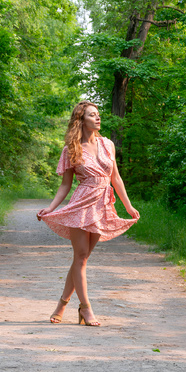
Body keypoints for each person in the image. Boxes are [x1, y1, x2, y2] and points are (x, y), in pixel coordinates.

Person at [36, 101, 140, 326]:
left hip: (103, 204)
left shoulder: (108, 144)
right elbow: (65, 185)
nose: (98, 118)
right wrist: (51, 207)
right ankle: (86, 309)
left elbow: (116, 179)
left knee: (81, 260)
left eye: (98, 115)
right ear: (81, 121)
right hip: (82, 204)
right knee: (81, 258)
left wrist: (128, 206)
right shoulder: (71, 149)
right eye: (92, 115)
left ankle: (62, 304)